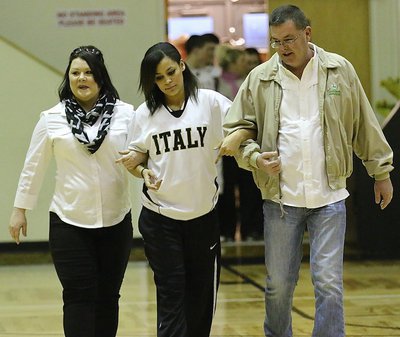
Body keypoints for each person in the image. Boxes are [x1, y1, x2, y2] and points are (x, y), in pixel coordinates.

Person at [224, 5, 394, 337]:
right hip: (280, 200)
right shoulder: (260, 78)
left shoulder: (339, 70)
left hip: (329, 196)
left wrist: (381, 172)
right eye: (275, 41)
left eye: (289, 39)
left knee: (329, 282)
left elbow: (364, 124)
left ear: (307, 33)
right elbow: (236, 132)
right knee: (278, 285)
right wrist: (256, 158)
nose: (283, 48)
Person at [116, 41, 251, 337]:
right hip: (160, 218)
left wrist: (238, 139)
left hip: (202, 216)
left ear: (182, 66)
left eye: (170, 72)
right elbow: (137, 155)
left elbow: (246, 125)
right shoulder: (145, 114)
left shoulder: (211, 103)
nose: (167, 81)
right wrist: (139, 167)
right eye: (159, 78)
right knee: (172, 292)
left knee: (201, 297)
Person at [8, 45, 135, 337]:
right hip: (69, 222)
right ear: (68, 77)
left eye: (89, 72)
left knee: (108, 297)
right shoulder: (51, 117)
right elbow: (33, 166)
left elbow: (143, 154)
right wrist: (19, 210)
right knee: (78, 297)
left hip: (116, 221)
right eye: (75, 72)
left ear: (100, 76)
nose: (82, 78)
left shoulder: (126, 113)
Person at [215, 45, 263, 241]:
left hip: (248, 139)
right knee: (225, 190)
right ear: (233, 63)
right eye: (243, 61)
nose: (246, 65)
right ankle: (226, 231)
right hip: (224, 141)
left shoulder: (250, 81)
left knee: (250, 188)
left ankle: (250, 230)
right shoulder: (216, 82)